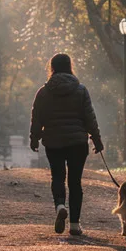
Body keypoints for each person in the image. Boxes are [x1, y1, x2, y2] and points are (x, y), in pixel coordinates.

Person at [30, 53, 103, 236]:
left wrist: (34, 138)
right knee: (75, 182)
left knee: (57, 177)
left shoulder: (44, 92)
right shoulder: (81, 90)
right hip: (78, 142)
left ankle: (60, 205)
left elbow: (37, 118)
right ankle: (75, 225)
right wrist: (97, 139)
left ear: (52, 68)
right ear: (70, 66)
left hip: (53, 141)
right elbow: (90, 117)